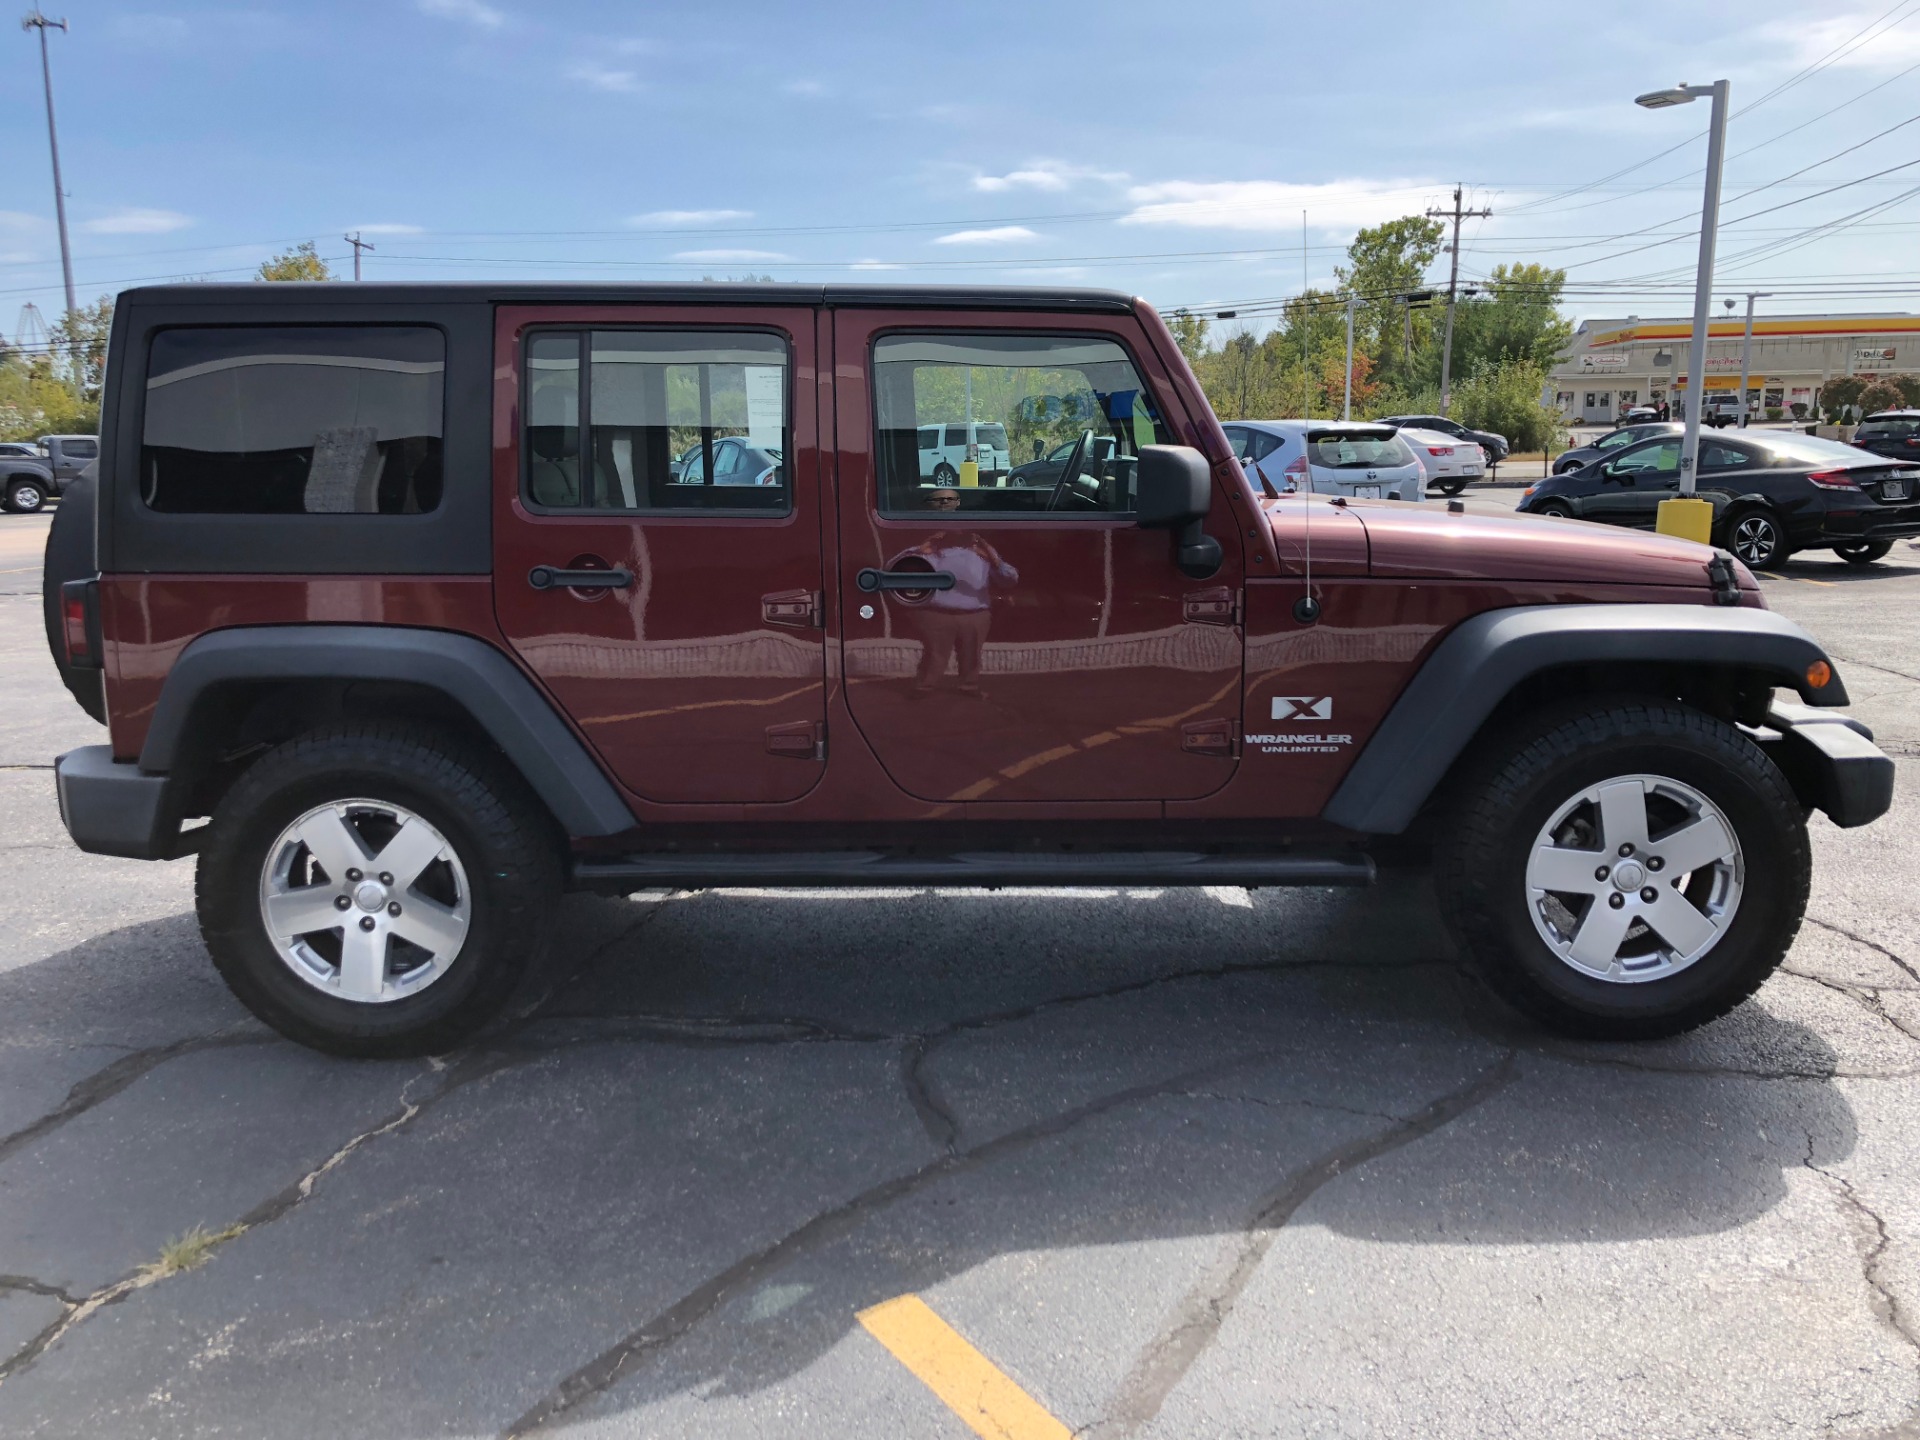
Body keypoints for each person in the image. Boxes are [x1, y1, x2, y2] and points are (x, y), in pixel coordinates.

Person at [906, 488, 1018, 694]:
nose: (958, 530)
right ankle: (924, 687)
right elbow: (895, 568)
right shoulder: (932, 550)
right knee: (934, 655)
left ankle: (969, 686)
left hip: (975, 615)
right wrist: (918, 552)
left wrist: (994, 560)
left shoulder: (983, 552)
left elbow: (1009, 580)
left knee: (971, 655)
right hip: (937, 614)